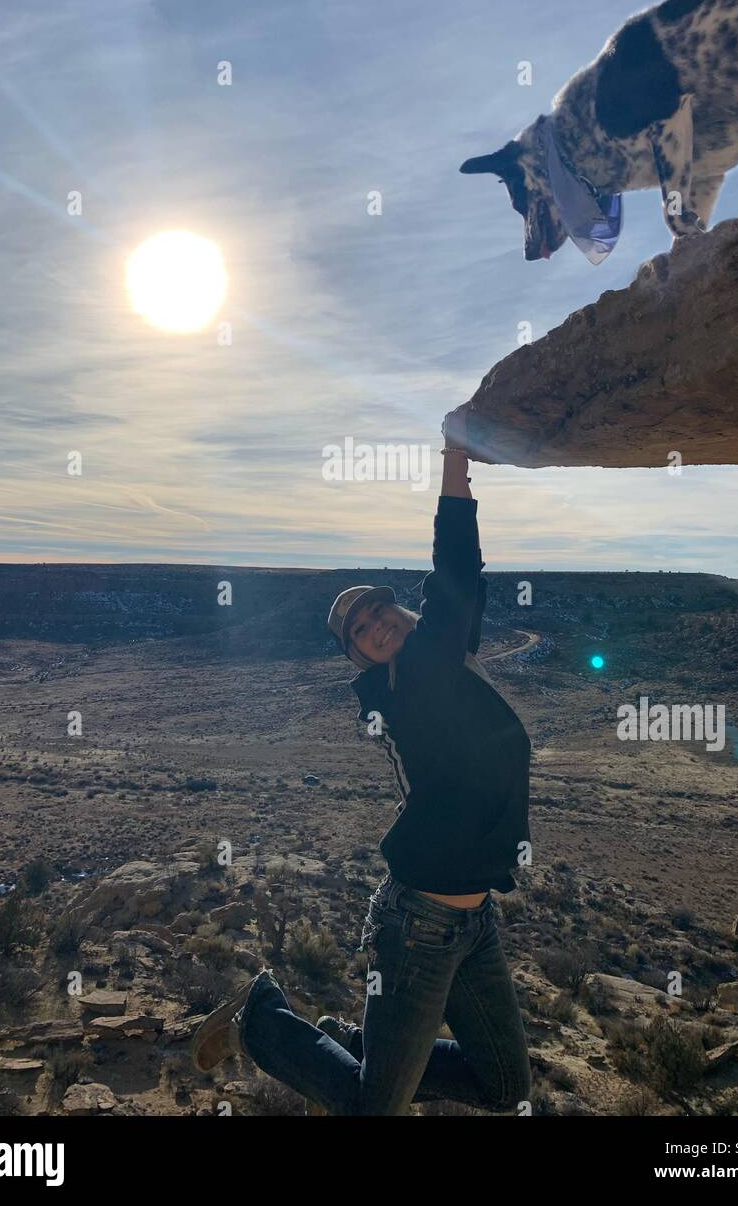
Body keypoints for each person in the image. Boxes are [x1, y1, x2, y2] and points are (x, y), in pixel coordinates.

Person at [190, 443, 533, 1116]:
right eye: (359, 631)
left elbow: (464, 596)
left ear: (397, 611)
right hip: (419, 924)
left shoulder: (442, 662)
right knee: (373, 1109)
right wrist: (455, 464)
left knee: (505, 1086)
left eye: (378, 610)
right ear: (357, 655)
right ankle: (259, 1019)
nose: (374, 626)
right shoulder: (414, 679)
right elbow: (457, 567)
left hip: (475, 922)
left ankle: (355, 1050)